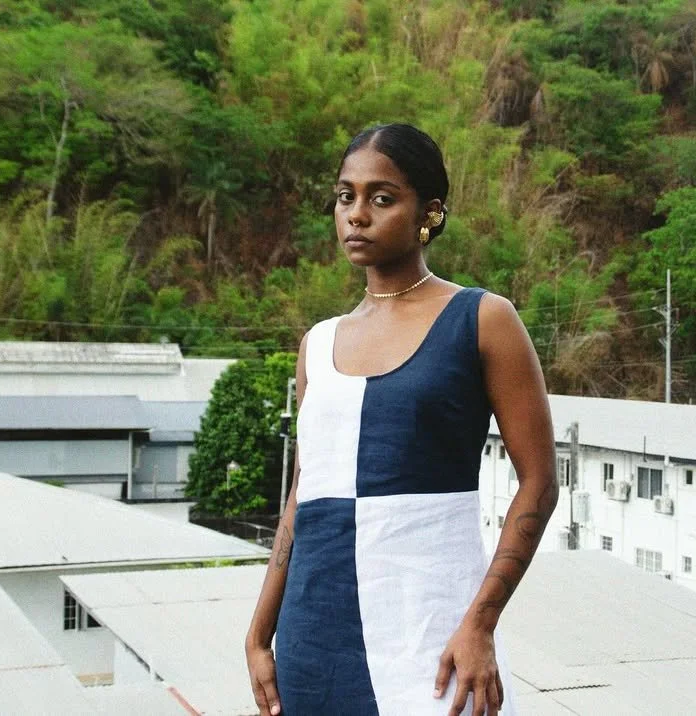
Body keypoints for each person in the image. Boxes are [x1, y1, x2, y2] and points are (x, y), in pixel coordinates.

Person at [245, 123, 558, 716]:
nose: (356, 215)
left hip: (435, 640)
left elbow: (539, 483)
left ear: (429, 213)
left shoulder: (483, 319)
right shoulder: (317, 343)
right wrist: (260, 636)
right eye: (345, 196)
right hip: (312, 641)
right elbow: (303, 496)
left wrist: (481, 625)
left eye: (381, 198)